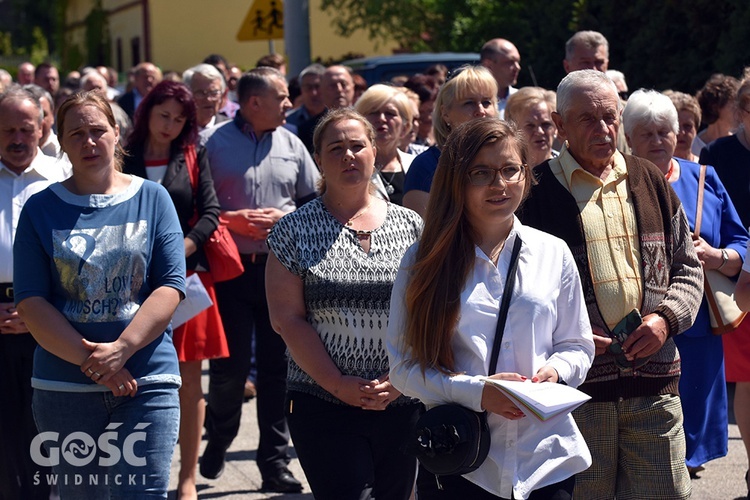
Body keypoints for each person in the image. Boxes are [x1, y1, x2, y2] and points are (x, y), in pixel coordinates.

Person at [519, 70, 703, 500]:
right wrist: (569, 341)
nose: (602, 129)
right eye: (586, 119)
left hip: (654, 385)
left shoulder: (650, 180)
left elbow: (687, 267)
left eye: (609, 117)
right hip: (576, 395)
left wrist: (665, 320)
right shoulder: (534, 194)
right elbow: (517, 291)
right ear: (560, 126)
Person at [388, 117, 594, 499]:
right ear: (457, 181)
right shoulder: (423, 260)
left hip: (546, 461)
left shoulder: (553, 251)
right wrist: (478, 392)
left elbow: (578, 345)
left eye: (510, 170)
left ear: (526, 175)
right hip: (461, 461)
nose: (499, 185)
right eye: (481, 173)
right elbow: (403, 370)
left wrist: (556, 371)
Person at [13, 90, 185, 498]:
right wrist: (98, 364)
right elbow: (31, 301)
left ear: (117, 133)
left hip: (147, 381)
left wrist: (122, 349)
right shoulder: (40, 209)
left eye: (97, 130)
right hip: (64, 388)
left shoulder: (153, 198)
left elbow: (170, 284)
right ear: (61, 142)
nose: (89, 142)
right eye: (76, 134)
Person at [265, 107, 423, 499]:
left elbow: (429, 313)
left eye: (358, 145)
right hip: (321, 403)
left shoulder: (413, 226)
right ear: (318, 160)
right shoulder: (293, 229)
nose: (349, 156)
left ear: (375, 150)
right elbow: (286, 319)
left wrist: (401, 382)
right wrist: (338, 384)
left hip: (401, 401)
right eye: (336, 148)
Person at [199, 67, 319, 493]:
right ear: (254, 103)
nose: (290, 103)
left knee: (276, 372)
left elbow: (311, 203)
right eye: (282, 97)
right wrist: (232, 220)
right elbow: (198, 206)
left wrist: (285, 217)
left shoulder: (292, 144)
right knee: (229, 372)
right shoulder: (212, 144)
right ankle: (220, 434)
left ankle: (273, 463)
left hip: (280, 273)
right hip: (230, 272)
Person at [623, 88, 748, 478]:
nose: (660, 141)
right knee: (649, 449)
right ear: (629, 139)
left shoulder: (704, 178)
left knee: (690, 442)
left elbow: (742, 241)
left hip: (698, 330)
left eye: (666, 131)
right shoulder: (616, 183)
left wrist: (719, 257)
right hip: (638, 330)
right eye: (648, 133)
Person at [122, 80, 229, 500]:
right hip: (127, 281)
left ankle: (186, 479)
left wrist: (180, 247)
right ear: (147, 111)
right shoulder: (123, 155)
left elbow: (212, 213)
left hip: (186, 280)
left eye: (179, 119)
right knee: (134, 378)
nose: (170, 125)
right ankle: (140, 472)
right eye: (163, 114)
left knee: (189, 383)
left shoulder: (192, 154)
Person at [0, 85, 68, 500]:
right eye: (7, 129)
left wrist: (38, 312)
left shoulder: (63, 179)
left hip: (50, 318)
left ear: (43, 128)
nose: (17, 139)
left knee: (46, 432)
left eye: (26, 129)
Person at [700, 73, 750, 496]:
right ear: (738, 110)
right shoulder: (718, 153)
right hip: (740, 278)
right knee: (749, 379)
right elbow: (720, 220)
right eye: (749, 104)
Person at [402, 65, 498, 217]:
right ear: (445, 113)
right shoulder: (426, 166)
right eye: (469, 103)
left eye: (487, 102)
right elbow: (422, 233)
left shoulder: (506, 159)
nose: (480, 110)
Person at [355, 84, 415, 205]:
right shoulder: (352, 166)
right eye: (373, 112)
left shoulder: (416, 164)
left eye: (390, 113)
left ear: (405, 127)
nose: (381, 119)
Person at [298, 65, 355, 154]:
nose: (339, 89)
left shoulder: (369, 119)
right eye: (332, 86)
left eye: (343, 84)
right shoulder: (308, 130)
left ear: (352, 86)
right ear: (322, 90)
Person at [504, 86, 558, 168]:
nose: (540, 131)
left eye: (546, 124)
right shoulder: (507, 170)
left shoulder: (569, 166)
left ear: (556, 127)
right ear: (513, 130)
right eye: (530, 126)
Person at [694, 74, 740, 156]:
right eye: (734, 106)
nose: (738, 111)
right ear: (715, 107)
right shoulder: (694, 147)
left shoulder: (740, 144)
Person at [479, 38, 521, 118]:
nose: (517, 67)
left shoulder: (523, 100)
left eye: (517, 62)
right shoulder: (472, 103)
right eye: (510, 62)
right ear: (488, 65)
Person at [182, 63, 230, 132]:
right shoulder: (178, 129)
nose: (208, 99)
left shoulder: (230, 130)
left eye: (214, 93)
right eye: (200, 93)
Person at [665, 90, 702, 162]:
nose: (681, 133)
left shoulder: (704, 168)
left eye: (687, 126)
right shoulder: (655, 169)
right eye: (676, 127)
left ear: (696, 129)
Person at [286, 63, 326, 129]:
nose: (313, 93)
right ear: (301, 90)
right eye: (308, 87)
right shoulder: (288, 121)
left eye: (317, 86)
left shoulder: (337, 118)